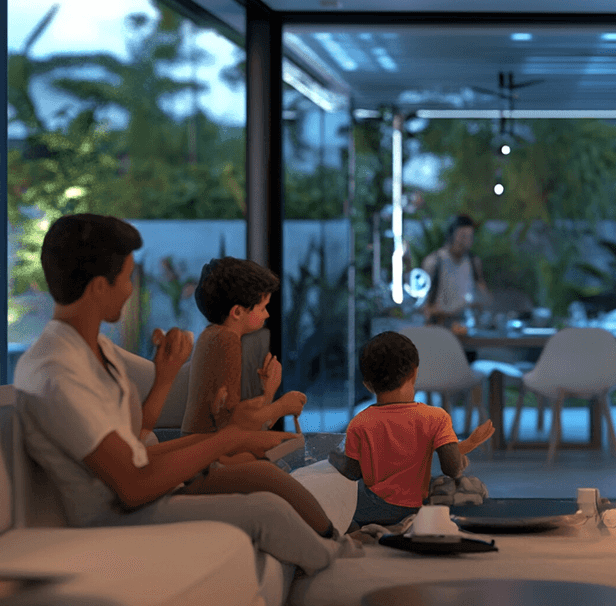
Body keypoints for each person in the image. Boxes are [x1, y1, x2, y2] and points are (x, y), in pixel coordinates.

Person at [13, 214, 359, 574]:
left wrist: (168, 380)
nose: (131, 290)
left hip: (144, 492)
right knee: (265, 510)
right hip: (118, 515)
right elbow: (132, 485)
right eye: (127, 278)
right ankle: (339, 569)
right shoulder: (57, 372)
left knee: (265, 482)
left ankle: (336, 549)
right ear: (100, 286)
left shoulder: (95, 350)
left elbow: (134, 445)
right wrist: (230, 437)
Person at [329, 331, 494, 528]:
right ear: (414, 373)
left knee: (336, 501)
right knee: (452, 487)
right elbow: (451, 468)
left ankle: (361, 530)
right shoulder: (435, 417)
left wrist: (335, 461)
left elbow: (352, 473)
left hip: (372, 510)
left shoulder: (359, 422)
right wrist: (470, 444)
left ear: (368, 385)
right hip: (415, 508)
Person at [182, 256, 305, 436]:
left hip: (202, 442)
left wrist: (267, 391)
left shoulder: (211, 335)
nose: (267, 314)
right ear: (238, 312)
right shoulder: (227, 340)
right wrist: (281, 406)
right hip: (206, 447)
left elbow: (241, 423)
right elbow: (232, 427)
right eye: (262, 308)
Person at [420, 214, 490, 328]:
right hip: (440, 324)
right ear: (451, 235)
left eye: (470, 237)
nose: (466, 241)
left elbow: (483, 295)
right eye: (463, 236)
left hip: (466, 324)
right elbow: (422, 303)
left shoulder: (473, 262)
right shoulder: (434, 261)